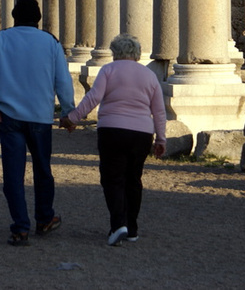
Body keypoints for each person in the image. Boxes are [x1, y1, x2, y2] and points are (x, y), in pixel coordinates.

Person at [0, 0, 76, 247]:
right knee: (43, 171)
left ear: (14, 16)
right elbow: (62, 80)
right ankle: (44, 218)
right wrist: (68, 111)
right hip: (40, 116)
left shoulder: (1, 38)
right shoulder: (50, 42)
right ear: (38, 19)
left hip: (9, 115)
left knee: (13, 175)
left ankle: (20, 228)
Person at [59, 33, 167, 247]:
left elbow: (93, 98)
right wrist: (161, 139)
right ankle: (132, 228)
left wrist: (72, 118)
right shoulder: (149, 75)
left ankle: (118, 224)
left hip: (112, 130)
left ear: (115, 53)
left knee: (112, 178)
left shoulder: (108, 70)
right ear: (136, 53)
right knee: (133, 180)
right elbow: (159, 110)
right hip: (141, 133)